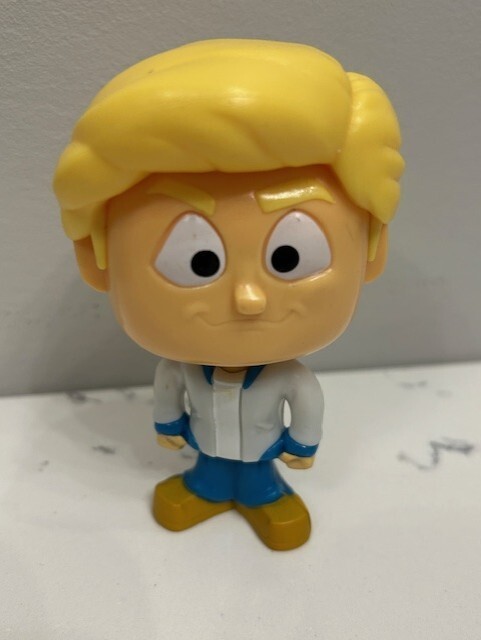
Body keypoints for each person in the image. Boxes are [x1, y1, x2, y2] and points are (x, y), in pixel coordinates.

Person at [53, 39, 404, 550]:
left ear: (373, 249)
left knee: (257, 480)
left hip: (264, 451)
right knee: (210, 474)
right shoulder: (180, 369)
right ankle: (209, 488)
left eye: (290, 257)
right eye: (198, 262)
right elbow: (169, 392)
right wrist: (169, 423)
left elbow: (306, 407)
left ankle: (264, 495)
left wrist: (302, 445)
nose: (248, 299)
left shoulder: (290, 379)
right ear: (95, 258)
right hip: (207, 447)